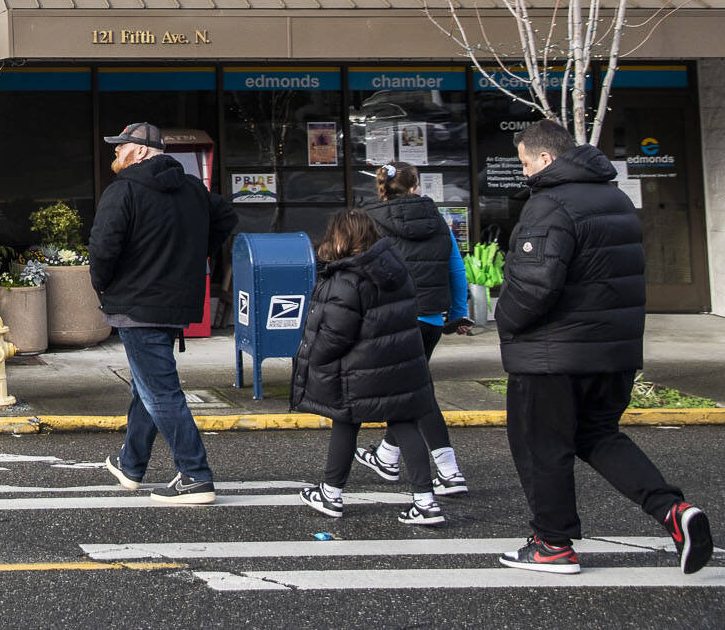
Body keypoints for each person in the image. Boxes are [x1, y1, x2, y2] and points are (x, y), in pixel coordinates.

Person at [497, 118, 711, 576]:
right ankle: (674, 512)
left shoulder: (549, 205)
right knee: (598, 435)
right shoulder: (615, 199)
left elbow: (534, 287)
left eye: (526, 163)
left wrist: (506, 324)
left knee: (542, 446)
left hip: (553, 355)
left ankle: (552, 546)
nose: (525, 172)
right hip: (611, 353)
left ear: (546, 159)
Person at [89, 121, 237, 505]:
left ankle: (194, 475)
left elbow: (103, 248)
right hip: (175, 302)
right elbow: (226, 217)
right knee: (147, 384)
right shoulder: (193, 189)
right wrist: (196, 252)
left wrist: (103, 286)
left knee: (160, 391)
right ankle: (131, 463)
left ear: (139, 151)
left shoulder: (123, 190)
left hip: (136, 304)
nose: (115, 153)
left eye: (120, 147)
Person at [291, 209, 447, 526]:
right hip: (397, 362)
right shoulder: (393, 267)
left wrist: (312, 360)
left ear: (342, 238)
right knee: (405, 422)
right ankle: (426, 502)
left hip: (358, 368)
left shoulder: (348, 278)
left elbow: (335, 333)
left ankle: (331, 493)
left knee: (345, 421)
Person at [355, 161, 470, 496]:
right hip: (432, 319)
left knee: (418, 393)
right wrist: (458, 313)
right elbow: (456, 268)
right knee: (408, 386)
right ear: (416, 185)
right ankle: (386, 456)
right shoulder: (437, 219)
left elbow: (362, 273)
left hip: (392, 320)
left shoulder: (372, 219)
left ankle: (449, 471)